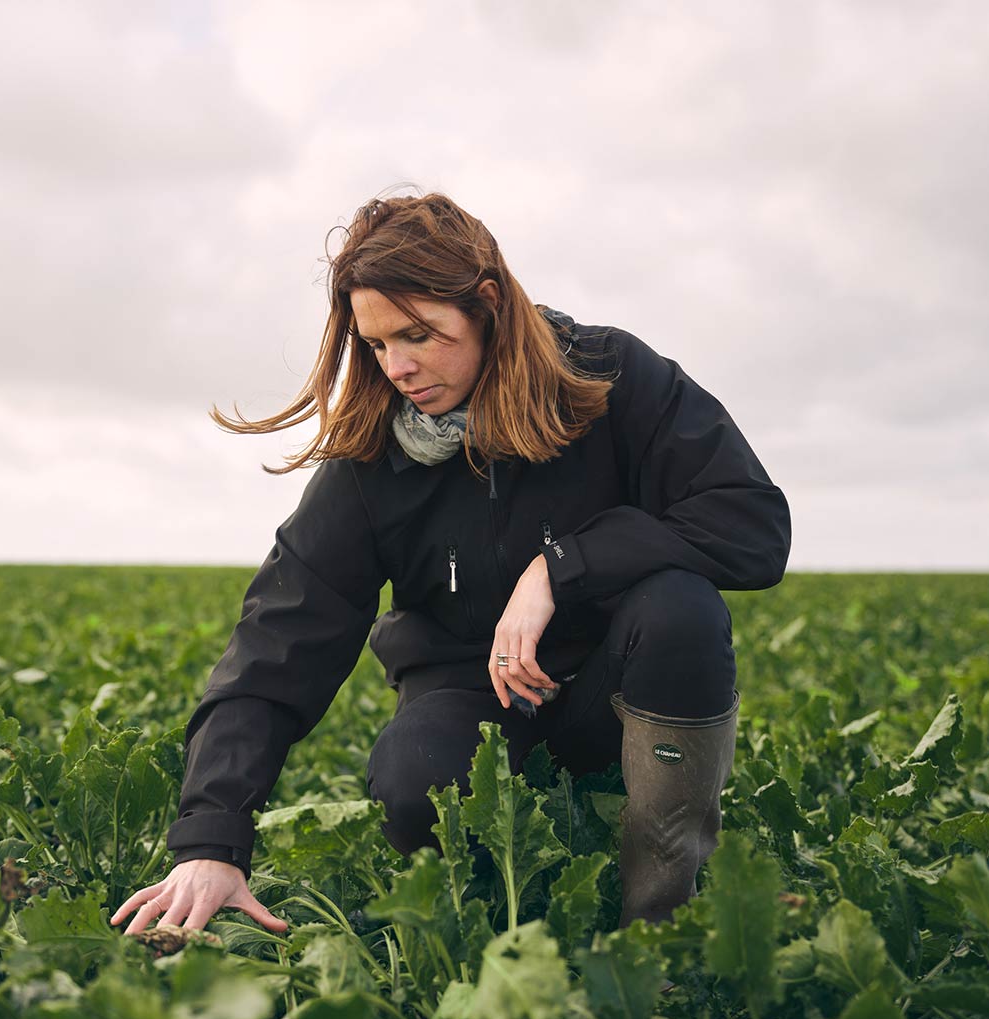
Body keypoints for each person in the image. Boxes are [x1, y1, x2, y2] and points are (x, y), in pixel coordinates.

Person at [111, 191, 791, 939]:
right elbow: (279, 639)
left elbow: (750, 523)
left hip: (614, 695)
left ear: (488, 306)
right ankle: (501, 911)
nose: (397, 368)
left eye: (418, 334)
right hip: (472, 701)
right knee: (414, 781)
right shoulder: (373, 455)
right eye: (376, 344)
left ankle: (662, 923)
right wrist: (211, 843)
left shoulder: (610, 376)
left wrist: (560, 568)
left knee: (681, 607)